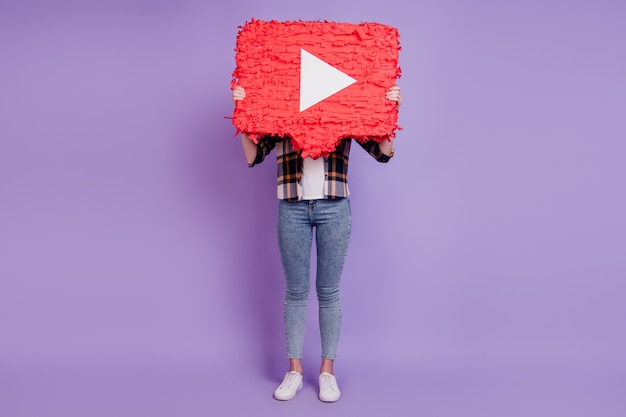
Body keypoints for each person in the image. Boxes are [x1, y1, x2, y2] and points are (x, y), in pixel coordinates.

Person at [232, 84, 402, 402]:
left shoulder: (344, 103)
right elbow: (253, 156)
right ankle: (294, 371)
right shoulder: (281, 102)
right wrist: (243, 112)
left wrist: (389, 109)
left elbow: (383, 152)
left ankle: (327, 372)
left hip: (334, 206)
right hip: (292, 205)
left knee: (329, 292)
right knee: (295, 292)